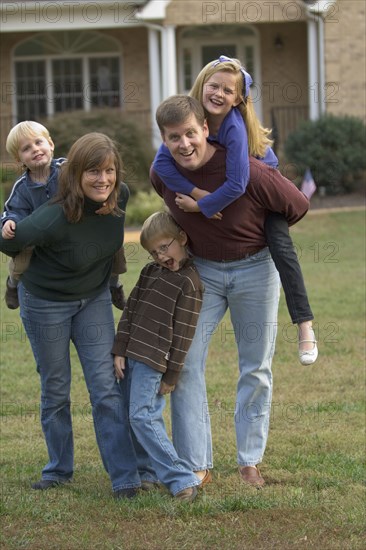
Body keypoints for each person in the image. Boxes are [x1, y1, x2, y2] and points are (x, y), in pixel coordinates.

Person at [150, 95, 310, 487]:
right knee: (185, 361)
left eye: (191, 133)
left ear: (206, 129)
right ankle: (196, 463)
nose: (184, 144)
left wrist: (263, 227)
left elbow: (298, 204)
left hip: (256, 270)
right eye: (174, 137)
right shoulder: (162, 175)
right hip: (201, 272)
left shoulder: (248, 171)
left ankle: (249, 460)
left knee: (255, 365)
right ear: (164, 140)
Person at [0, 132, 141, 499]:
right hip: (46, 302)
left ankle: (125, 476)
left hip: (92, 299)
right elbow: (7, 242)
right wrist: (8, 224)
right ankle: (59, 469)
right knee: (56, 388)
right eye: (93, 172)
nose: (103, 180)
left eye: (109, 171)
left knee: (106, 388)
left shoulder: (118, 197)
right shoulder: (54, 216)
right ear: (75, 174)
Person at [153, 56, 317, 366]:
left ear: (239, 98)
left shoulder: (233, 127)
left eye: (228, 90)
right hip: (216, 225)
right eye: (213, 85)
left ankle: (305, 325)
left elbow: (239, 182)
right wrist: (197, 191)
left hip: (262, 190)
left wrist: (204, 206)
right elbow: (160, 165)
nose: (218, 94)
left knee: (282, 249)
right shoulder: (188, 121)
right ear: (202, 85)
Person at [113, 211, 204, 502]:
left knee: (142, 416)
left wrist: (172, 374)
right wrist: (119, 349)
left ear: (182, 239)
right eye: (154, 252)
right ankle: (147, 472)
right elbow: (130, 311)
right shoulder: (150, 273)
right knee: (132, 416)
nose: (161, 256)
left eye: (165, 247)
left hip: (154, 361)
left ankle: (181, 478)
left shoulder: (190, 283)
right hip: (129, 356)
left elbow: (184, 335)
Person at [2, 121, 126, 311]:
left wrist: (109, 198)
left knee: (114, 248)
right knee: (21, 258)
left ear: (50, 144)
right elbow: (13, 209)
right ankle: (12, 284)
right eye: (26, 148)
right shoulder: (21, 187)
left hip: (76, 226)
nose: (35, 149)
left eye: (38, 142)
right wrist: (10, 221)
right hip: (41, 238)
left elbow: (95, 182)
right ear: (19, 159)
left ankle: (114, 285)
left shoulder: (67, 169)